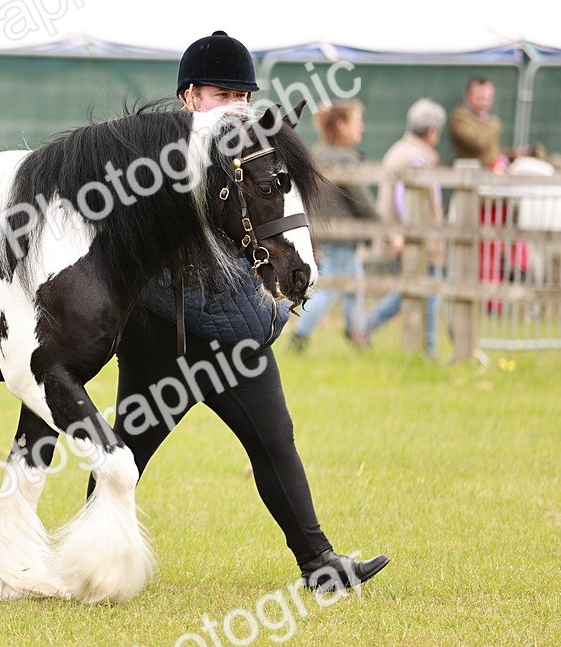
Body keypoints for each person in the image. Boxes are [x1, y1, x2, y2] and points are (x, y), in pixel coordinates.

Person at [91, 30, 390, 592]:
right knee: (127, 453)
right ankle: (90, 561)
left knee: (275, 442)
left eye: (242, 95)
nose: (234, 105)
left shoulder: (253, 154)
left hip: (233, 335)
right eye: (220, 94)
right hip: (162, 338)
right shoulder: (150, 159)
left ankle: (320, 564)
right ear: (189, 97)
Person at [290, 99, 381, 352]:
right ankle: (300, 336)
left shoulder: (317, 154)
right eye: (357, 122)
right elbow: (362, 201)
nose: (361, 128)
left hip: (325, 234)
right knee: (331, 288)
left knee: (354, 287)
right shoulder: (343, 160)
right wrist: (385, 228)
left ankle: (358, 335)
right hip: (343, 236)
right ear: (341, 125)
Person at [360, 98, 448, 358]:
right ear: (432, 131)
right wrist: (401, 233)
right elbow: (404, 198)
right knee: (427, 292)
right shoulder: (415, 158)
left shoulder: (401, 150)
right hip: (417, 238)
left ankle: (364, 328)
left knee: (411, 290)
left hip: (409, 236)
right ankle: (428, 350)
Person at [448, 77, 520, 172]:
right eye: (479, 98)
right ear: (467, 96)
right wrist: (494, 125)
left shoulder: (484, 118)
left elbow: (491, 151)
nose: (484, 103)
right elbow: (479, 144)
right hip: (474, 174)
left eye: (488, 99)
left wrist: (513, 155)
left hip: (494, 171)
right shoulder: (459, 117)